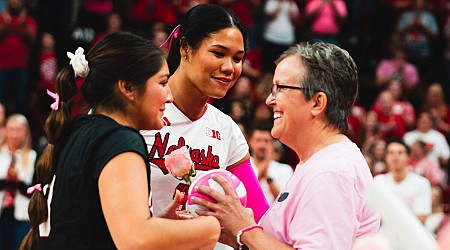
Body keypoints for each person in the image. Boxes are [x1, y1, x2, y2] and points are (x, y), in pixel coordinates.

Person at [20, 32, 221, 250]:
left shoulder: (78, 129)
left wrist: (160, 227)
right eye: (163, 83)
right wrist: (211, 227)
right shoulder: (119, 139)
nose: (169, 96)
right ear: (127, 88)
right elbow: (135, 240)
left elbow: (91, 229)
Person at [192, 42, 380, 249]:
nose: (269, 100)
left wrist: (244, 228)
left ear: (317, 103)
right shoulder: (321, 164)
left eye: (280, 88)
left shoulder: (332, 172)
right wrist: (236, 237)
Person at [139, 4, 269, 249]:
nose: (230, 67)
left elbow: (259, 218)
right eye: (219, 53)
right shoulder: (138, 114)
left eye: (238, 58)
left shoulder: (227, 130)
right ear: (185, 48)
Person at [0, 114, 36, 250]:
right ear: (5, 131)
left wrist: (18, 181)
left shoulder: (33, 157)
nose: (14, 135)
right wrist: (5, 180)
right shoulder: (0, 155)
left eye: (19, 130)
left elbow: (36, 191)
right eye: (11, 129)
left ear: (26, 132)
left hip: (22, 217)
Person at [248, 123, 293, 204]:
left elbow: (284, 202)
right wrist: (265, 166)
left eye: (266, 141)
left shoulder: (285, 169)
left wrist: (268, 179)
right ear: (250, 142)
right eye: (258, 140)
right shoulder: (242, 166)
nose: (262, 145)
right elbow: (246, 195)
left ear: (273, 144)